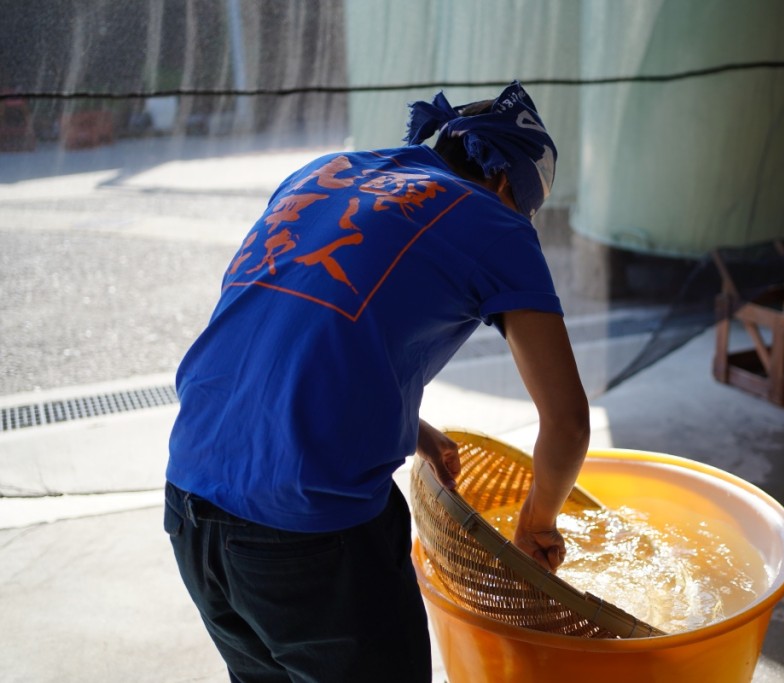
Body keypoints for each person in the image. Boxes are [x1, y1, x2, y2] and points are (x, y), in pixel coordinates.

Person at [163, 80, 590, 682]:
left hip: (188, 501)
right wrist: (537, 525)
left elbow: (288, 330)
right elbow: (568, 422)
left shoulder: (327, 171)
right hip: (308, 534)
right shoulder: (494, 222)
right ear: (505, 185)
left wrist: (412, 429)